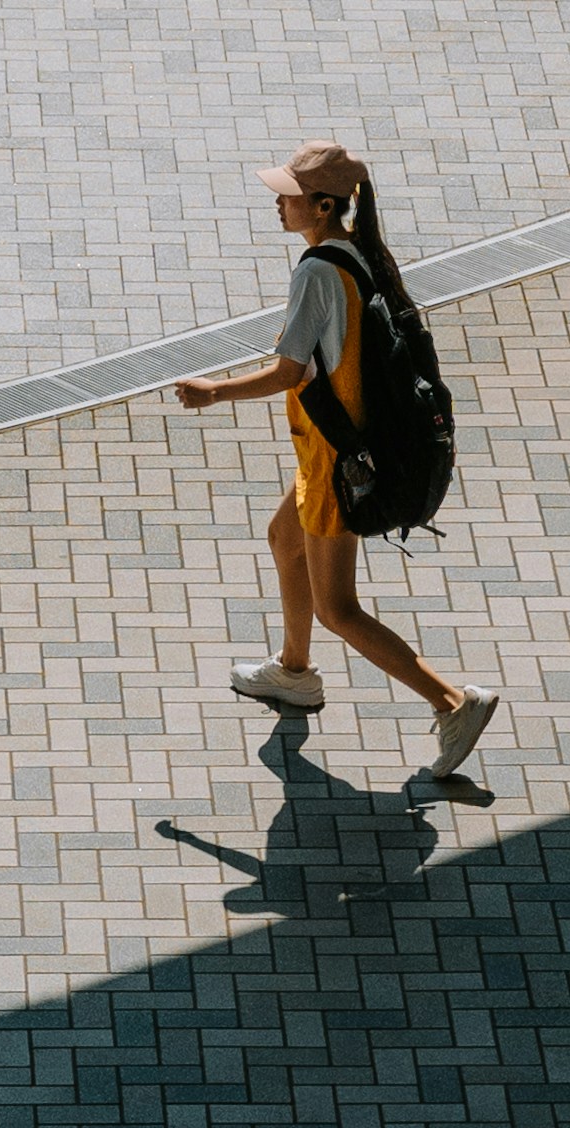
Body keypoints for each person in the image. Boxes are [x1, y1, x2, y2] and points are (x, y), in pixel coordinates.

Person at [175, 141, 500, 780]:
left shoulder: (316, 272)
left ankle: (454, 702)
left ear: (322, 206)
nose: (277, 202)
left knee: (339, 608)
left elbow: (289, 371)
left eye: (289, 195)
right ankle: (294, 674)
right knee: (281, 538)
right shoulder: (360, 254)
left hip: (335, 462)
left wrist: (214, 392)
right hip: (334, 451)